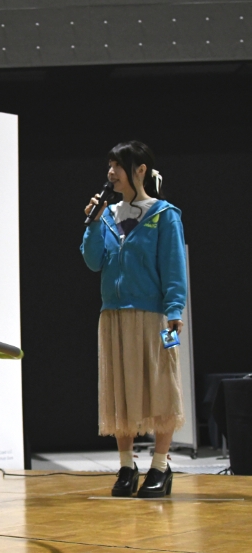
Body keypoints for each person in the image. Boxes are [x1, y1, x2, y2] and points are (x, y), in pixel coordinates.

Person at [81, 140, 187, 498]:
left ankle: (160, 466)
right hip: (113, 315)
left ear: (140, 170)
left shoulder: (164, 215)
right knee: (120, 392)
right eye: (109, 166)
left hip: (154, 316)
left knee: (161, 388)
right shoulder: (108, 215)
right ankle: (127, 466)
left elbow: (174, 266)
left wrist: (175, 310)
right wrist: (93, 223)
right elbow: (93, 261)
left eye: (118, 166)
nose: (111, 173)